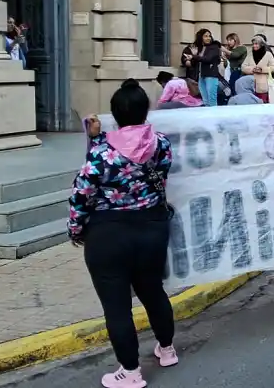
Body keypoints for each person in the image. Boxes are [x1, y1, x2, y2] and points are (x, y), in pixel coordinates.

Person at [70, 80, 177, 388]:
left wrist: (75, 229)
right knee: (153, 291)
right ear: (146, 111)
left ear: (114, 115)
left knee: (117, 306)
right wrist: (99, 138)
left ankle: (130, 372)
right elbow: (135, 151)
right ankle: (167, 350)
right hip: (153, 229)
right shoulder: (162, 144)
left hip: (110, 235)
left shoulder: (101, 154)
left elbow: (82, 193)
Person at [241, 34, 274, 103]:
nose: (254, 46)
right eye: (253, 44)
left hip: (263, 86)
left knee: (263, 105)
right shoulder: (250, 54)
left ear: (261, 45)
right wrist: (252, 69)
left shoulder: (268, 54)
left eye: (256, 44)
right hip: (251, 86)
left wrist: (262, 69)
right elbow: (243, 67)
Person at [189, 29, 222, 107]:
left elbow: (208, 59)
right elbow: (194, 63)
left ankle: (214, 118)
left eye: (209, 36)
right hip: (201, 76)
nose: (208, 38)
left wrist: (194, 56)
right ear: (201, 37)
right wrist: (194, 55)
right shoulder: (199, 49)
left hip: (211, 75)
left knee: (212, 100)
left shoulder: (214, 47)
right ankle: (208, 118)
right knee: (205, 100)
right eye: (205, 36)